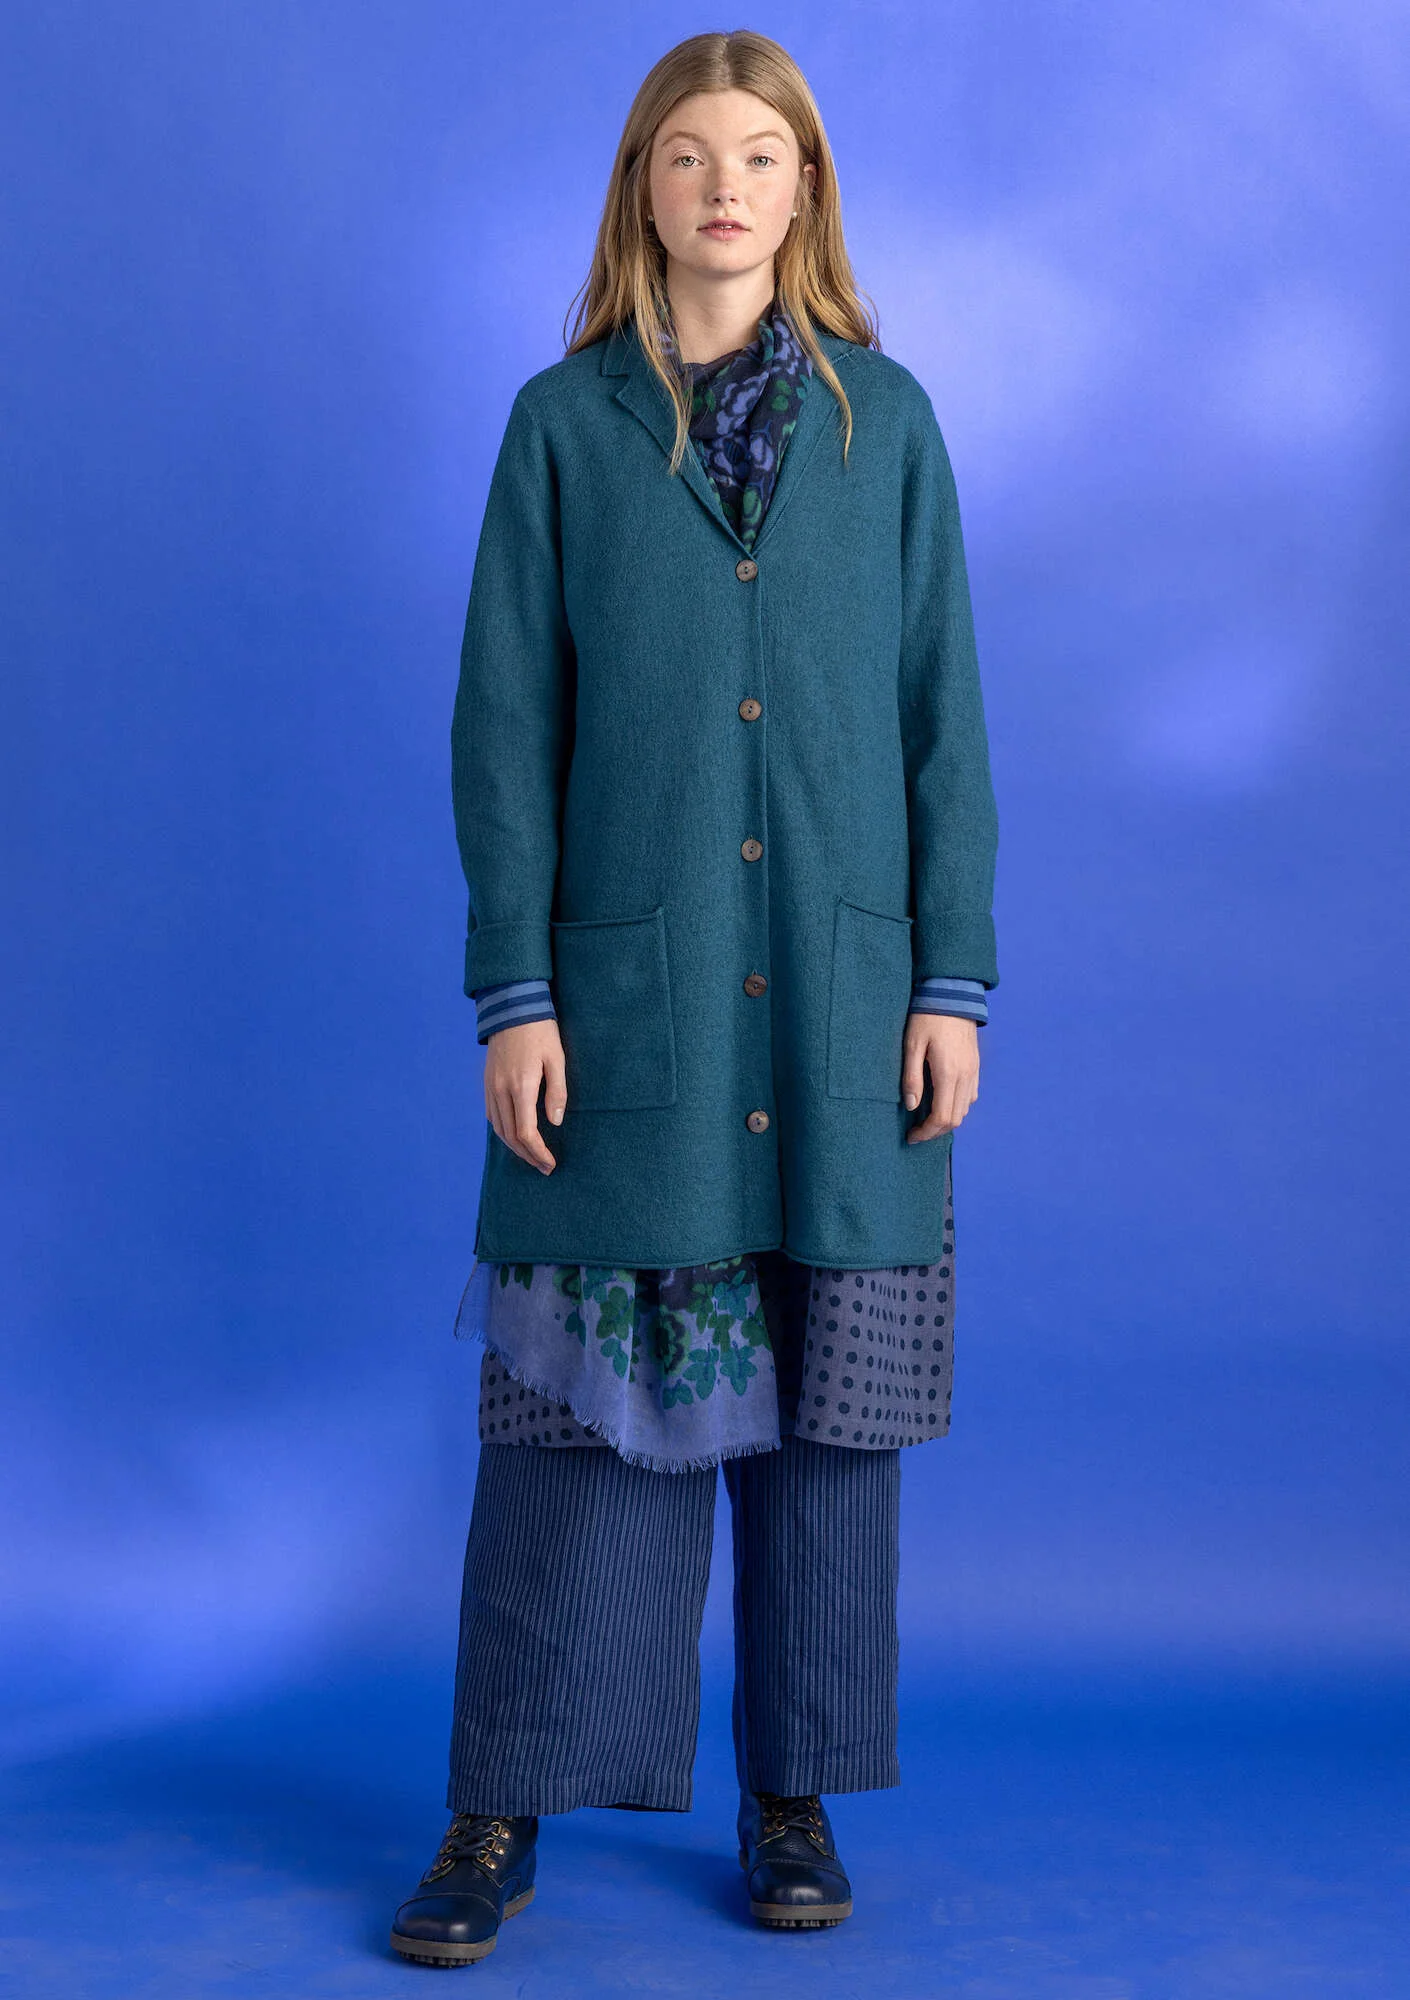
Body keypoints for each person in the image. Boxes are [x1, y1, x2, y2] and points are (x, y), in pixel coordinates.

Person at [389, 27, 1000, 1968]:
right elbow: (503, 726)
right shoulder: (561, 427)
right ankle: (499, 1804)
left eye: (759, 154)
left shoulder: (885, 426)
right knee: (575, 1420)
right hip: (629, 1010)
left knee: (828, 1420)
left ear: (804, 189)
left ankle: (791, 1786)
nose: (722, 185)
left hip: (837, 1004)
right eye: (685, 153)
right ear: (639, 190)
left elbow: (944, 723)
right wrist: (516, 994)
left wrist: (950, 980)